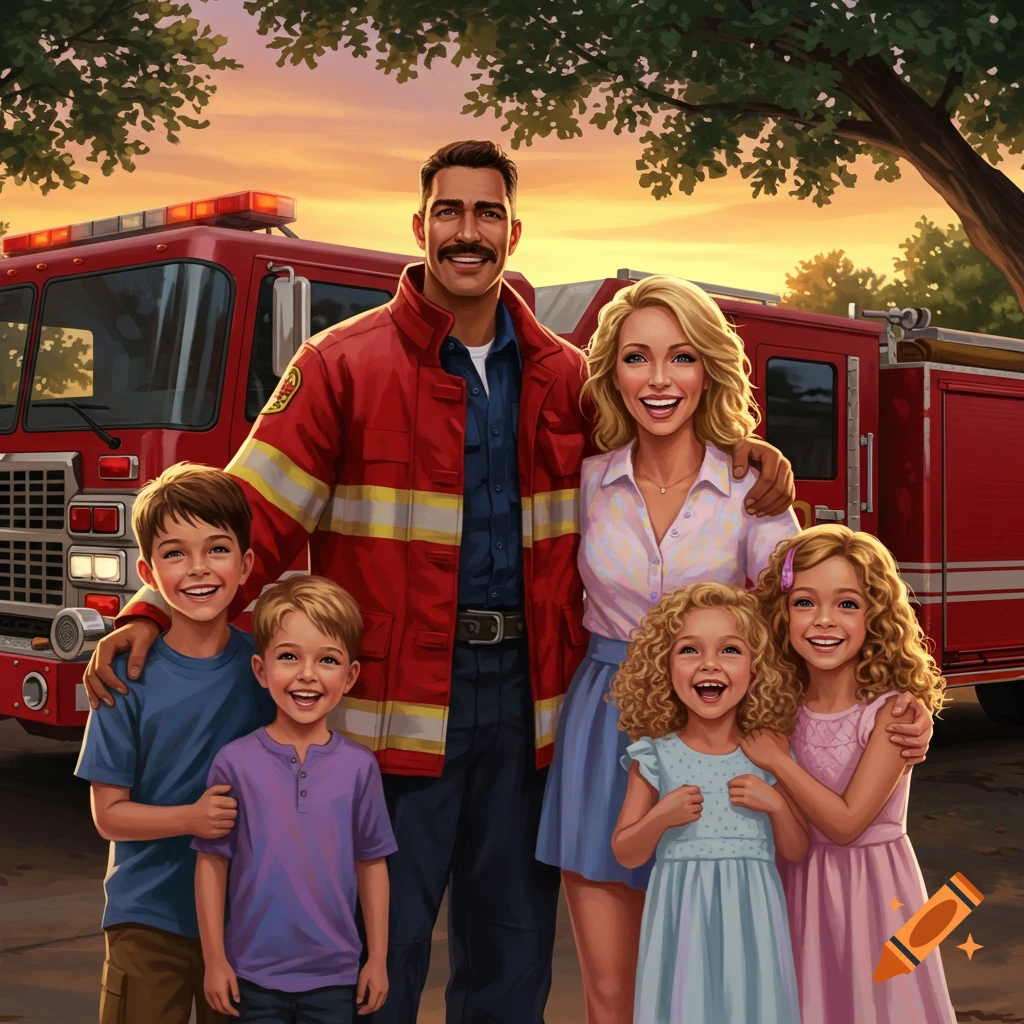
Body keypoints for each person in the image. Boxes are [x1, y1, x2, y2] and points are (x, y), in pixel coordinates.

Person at [81, 140, 794, 1023]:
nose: (468, 232)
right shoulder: (342, 364)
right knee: (381, 948)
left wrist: (746, 454)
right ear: (419, 228)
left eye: (486, 213)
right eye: (449, 214)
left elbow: (656, 442)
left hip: (534, 710)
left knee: (513, 951)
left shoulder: (566, 378)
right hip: (391, 710)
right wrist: (153, 605)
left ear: (512, 232)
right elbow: (252, 513)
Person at [534, 275, 936, 1023]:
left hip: (724, 732)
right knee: (612, 991)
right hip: (605, 719)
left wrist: (896, 702)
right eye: (636, 359)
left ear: (710, 370)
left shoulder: (754, 489)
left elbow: (810, 617)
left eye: (682, 357)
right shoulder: (581, 484)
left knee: (719, 981)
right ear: (610, 373)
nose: (659, 379)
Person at [74, 464, 276, 1024]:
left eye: (216, 549)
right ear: (147, 571)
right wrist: (192, 817)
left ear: (246, 566)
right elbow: (109, 817)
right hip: (148, 919)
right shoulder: (124, 678)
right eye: (174, 554)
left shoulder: (268, 673)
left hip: (244, 922)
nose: (198, 569)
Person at [743, 525, 956, 1023]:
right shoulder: (779, 704)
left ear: (875, 616)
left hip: (874, 896)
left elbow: (845, 824)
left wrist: (779, 763)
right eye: (804, 603)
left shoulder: (892, 713)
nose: (823, 621)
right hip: (793, 884)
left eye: (847, 604)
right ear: (782, 612)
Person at [194, 575, 395, 1022]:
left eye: (327, 659)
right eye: (289, 657)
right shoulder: (234, 763)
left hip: (336, 978)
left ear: (350, 676)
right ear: (261, 670)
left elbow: (372, 865)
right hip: (252, 978)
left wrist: (377, 960)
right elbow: (212, 863)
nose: (307, 674)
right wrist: (215, 960)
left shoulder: (360, 768)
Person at [611, 582, 806, 1023]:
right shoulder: (655, 753)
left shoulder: (768, 750)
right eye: (689, 651)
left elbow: (796, 849)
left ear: (757, 669)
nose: (710, 664)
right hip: (679, 918)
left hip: (752, 915)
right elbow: (625, 851)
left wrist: (775, 804)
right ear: (664, 666)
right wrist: (661, 816)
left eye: (731, 650)